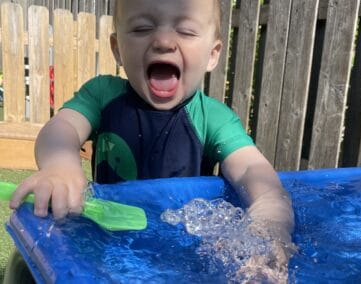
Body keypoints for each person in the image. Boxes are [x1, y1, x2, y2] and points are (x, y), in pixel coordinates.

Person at [10, 0, 295, 282]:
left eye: (185, 30)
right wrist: (60, 166)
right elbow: (62, 129)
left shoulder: (213, 118)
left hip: (183, 255)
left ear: (212, 54)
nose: (163, 41)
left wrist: (268, 225)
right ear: (118, 49)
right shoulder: (101, 95)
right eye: (142, 28)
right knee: (24, 264)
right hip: (108, 245)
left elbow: (253, 172)